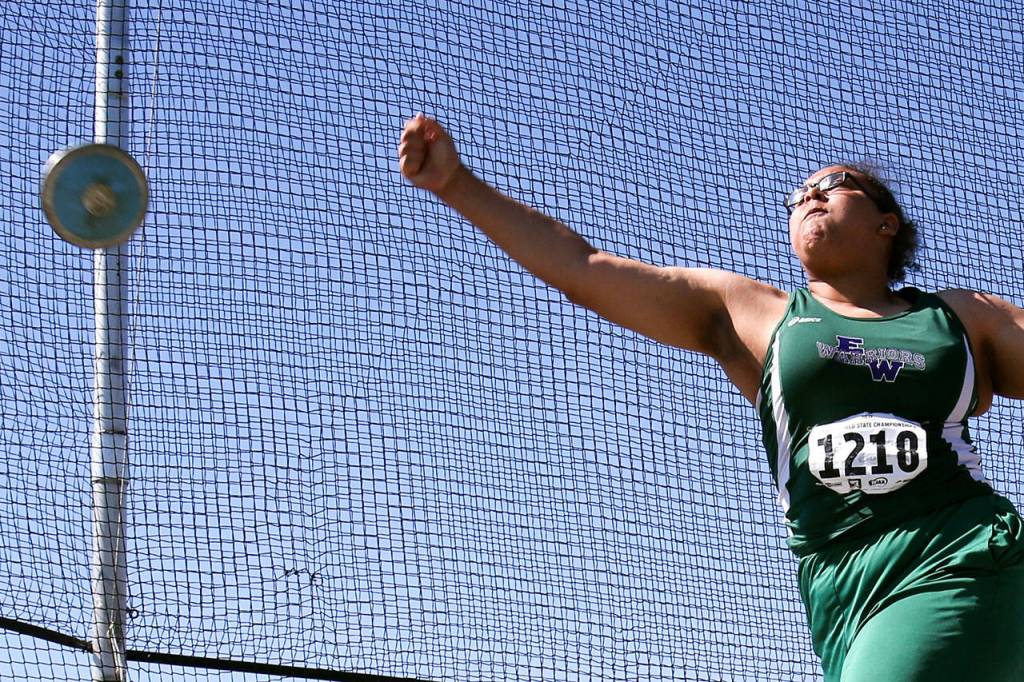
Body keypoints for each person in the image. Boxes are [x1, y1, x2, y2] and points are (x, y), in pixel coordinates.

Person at [397, 113, 1024, 680]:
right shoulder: (753, 313)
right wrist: (457, 185)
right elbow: (584, 270)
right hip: (836, 583)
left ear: (885, 222)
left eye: (831, 184)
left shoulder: (961, 319)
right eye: (796, 195)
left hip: (954, 550)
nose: (809, 195)